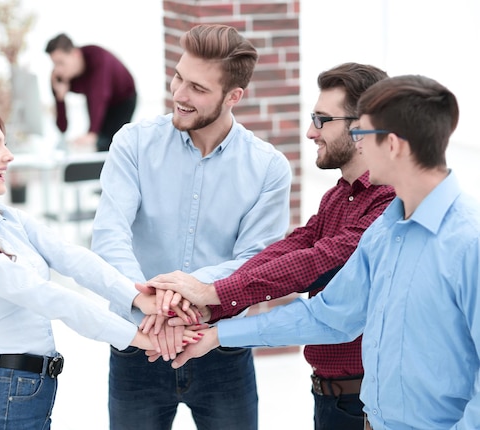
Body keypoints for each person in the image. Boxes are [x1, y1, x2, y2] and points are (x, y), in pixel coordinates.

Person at [164, 75, 480, 430]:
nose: (358, 146)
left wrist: (214, 295)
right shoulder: (383, 233)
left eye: (362, 135)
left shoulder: (469, 244)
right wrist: (216, 336)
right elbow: (329, 317)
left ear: (392, 145)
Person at [0, 106, 199, 429]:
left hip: (26, 391)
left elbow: (69, 256)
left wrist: (137, 297)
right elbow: (47, 297)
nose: (8, 156)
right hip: (4, 395)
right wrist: (141, 337)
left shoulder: (3, 218)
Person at [146, 63, 396, 430]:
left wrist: (214, 294)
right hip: (334, 398)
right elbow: (294, 247)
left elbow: (317, 263)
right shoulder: (340, 196)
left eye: (323, 120)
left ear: (362, 126)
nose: (311, 132)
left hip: (366, 404)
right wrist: (207, 304)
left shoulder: (387, 203)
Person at [91, 24, 293, 430]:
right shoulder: (132, 143)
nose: (180, 94)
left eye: (198, 88)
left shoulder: (268, 168)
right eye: (179, 77)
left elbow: (255, 260)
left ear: (233, 96)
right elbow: (110, 235)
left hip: (222, 351)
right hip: (138, 342)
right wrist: (151, 305)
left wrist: (179, 299)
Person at [45, 33, 137, 151]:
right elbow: (62, 128)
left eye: (61, 63)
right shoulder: (59, 77)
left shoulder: (97, 58)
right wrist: (60, 98)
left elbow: (99, 95)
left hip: (123, 97)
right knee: (97, 142)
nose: (58, 69)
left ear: (75, 54)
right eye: (54, 64)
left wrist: (92, 133)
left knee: (111, 142)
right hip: (96, 98)